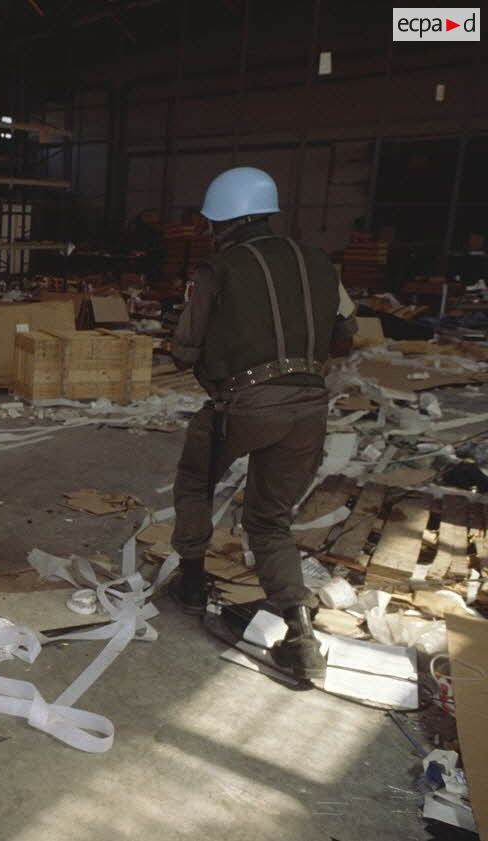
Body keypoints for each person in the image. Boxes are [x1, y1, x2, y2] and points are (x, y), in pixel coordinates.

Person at [169, 166, 357, 681]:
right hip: (309, 408)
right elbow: (345, 334)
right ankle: (300, 636)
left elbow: (183, 350)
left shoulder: (217, 268)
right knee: (270, 521)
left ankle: (189, 583)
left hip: (244, 406)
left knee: (195, 480)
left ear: (222, 221)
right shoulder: (320, 262)